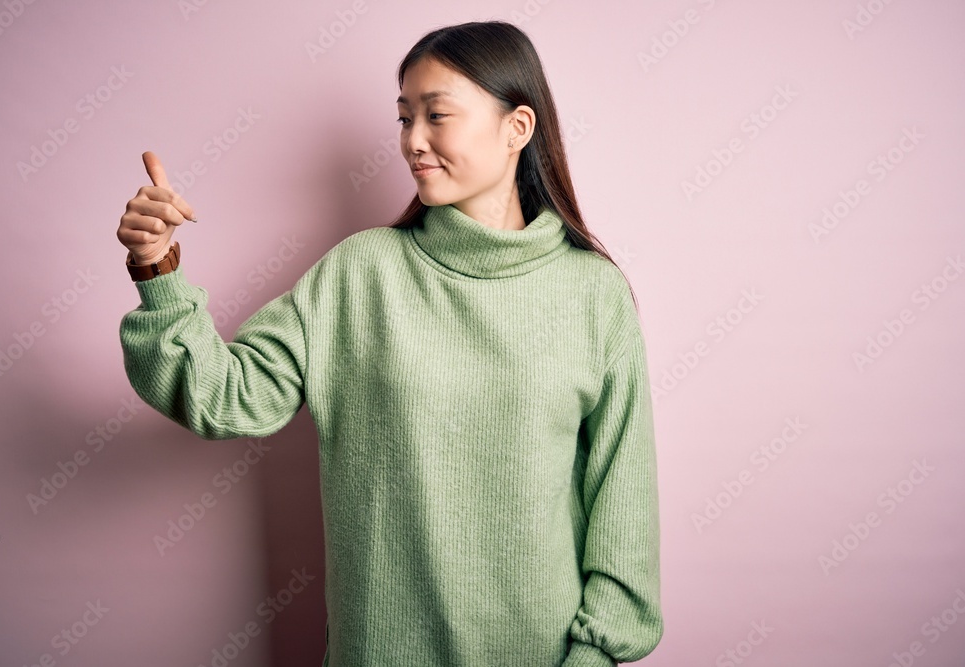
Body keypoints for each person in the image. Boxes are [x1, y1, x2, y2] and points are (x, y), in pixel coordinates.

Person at [116, 20, 662, 667]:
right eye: (404, 118)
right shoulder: (360, 274)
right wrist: (158, 270)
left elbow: (622, 508)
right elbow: (224, 397)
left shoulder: (593, 294)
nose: (413, 142)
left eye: (437, 115)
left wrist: (594, 655)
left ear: (518, 127)